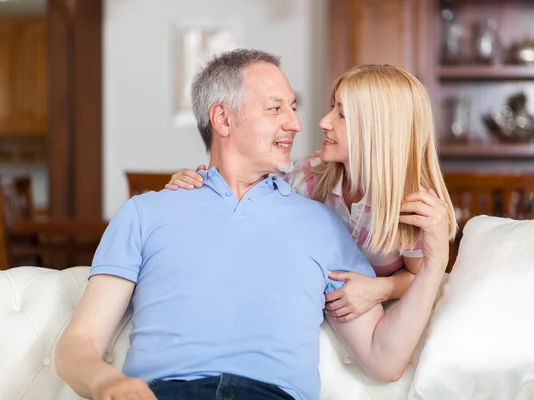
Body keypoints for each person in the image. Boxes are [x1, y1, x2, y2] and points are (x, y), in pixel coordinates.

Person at [55, 49, 451, 400]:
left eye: (294, 108)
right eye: (276, 108)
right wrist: (105, 384)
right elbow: (79, 342)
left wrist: (434, 263)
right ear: (223, 119)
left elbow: (384, 360)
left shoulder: (324, 224)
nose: (298, 124)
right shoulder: (145, 212)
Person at [167, 63, 458, 322]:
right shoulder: (310, 175)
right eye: (333, 107)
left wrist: (381, 289)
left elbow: (423, 277)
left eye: (341, 114)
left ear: (378, 130)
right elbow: (244, 190)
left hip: (384, 320)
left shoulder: (414, 205)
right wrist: (199, 183)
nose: (323, 121)